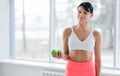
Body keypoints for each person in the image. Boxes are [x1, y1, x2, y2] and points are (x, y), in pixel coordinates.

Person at [54, 2, 101, 76]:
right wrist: (60, 55)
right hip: (72, 71)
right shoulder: (67, 31)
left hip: (89, 71)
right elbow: (66, 56)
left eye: (85, 13)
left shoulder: (96, 34)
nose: (81, 15)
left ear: (91, 15)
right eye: (79, 12)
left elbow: (97, 60)